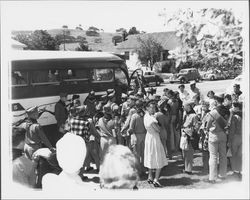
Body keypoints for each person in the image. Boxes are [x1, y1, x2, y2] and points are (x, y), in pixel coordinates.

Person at [205, 94, 230, 183]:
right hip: (223, 135)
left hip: (214, 135)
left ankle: (212, 178)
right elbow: (227, 123)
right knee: (223, 156)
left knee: (213, 156)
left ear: (216, 101)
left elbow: (207, 125)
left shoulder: (213, 112)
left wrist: (207, 131)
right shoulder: (227, 111)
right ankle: (223, 175)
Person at [144, 100, 168, 187]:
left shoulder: (147, 116)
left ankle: (150, 176)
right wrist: (158, 125)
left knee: (150, 156)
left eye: (154, 107)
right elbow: (158, 129)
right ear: (147, 108)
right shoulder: (151, 119)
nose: (153, 109)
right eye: (151, 107)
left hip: (149, 137)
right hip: (153, 138)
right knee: (158, 157)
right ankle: (156, 179)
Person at [128, 100, 147, 176]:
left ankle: (138, 171)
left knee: (136, 154)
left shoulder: (134, 116)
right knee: (143, 154)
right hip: (144, 135)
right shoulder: (145, 114)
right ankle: (143, 169)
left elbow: (131, 128)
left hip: (136, 136)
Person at [180, 101, 199, 175]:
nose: (183, 108)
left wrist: (192, 134)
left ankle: (189, 169)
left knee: (189, 153)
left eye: (184, 106)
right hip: (184, 134)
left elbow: (196, 126)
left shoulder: (194, 116)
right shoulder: (185, 115)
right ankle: (186, 167)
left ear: (188, 107)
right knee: (184, 152)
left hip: (190, 135)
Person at [228, 102, 242, 180]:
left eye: (233, 107)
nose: (232, 108)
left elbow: (232, 130)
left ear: (237, 108)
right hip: (242, 136)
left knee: (233, 155)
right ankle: (239, 170)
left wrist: (229, 141)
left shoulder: (234, 117)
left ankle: (235, 171)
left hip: (235, 137)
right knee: (239, 155)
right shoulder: (244, 115)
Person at [198, 101, 211, 173]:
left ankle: (206, 166)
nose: (203, 107)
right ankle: (205, 165)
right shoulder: (204, 113)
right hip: (203, 133)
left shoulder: (209, 113)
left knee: (206, 150)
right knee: (204, 150)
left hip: (206, 134)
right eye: (202, 106)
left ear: (207, 106)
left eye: (204, 106)